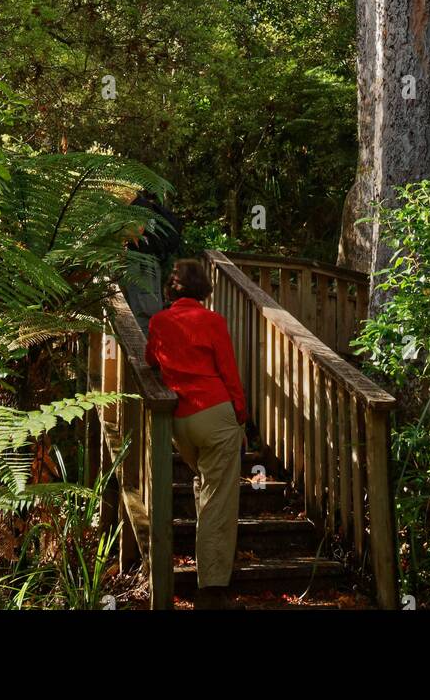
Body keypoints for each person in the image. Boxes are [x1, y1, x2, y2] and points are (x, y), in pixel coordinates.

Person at [144, 259, 246, 609]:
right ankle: (212, 591)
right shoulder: (212, 321)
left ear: (172, 289)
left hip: (180, 420)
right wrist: (241, 417)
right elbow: (228, 372)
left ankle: (208, 575)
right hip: (215, 413)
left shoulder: (159, 321)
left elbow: (150, 360)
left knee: (205, 489)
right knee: (219, 501)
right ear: (203, 288)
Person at [122, 189, 183, 337]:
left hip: (142, 267)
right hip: (139, 266)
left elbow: (136, 232)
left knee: (144, 315)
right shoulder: (136, 207)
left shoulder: (140, 207)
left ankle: (144, 357)